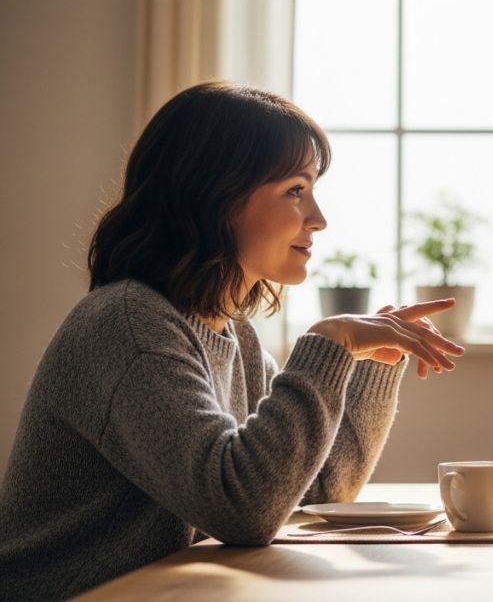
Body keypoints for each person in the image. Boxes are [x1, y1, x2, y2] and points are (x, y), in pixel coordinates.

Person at [0, 82, 466, 599]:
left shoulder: (232, 333)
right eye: (295, 189)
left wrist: (370, 366)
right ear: (215, 197)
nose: (318, 218)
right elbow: (242, 509)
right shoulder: (129, 326)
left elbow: (314, 490)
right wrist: (326, 341)